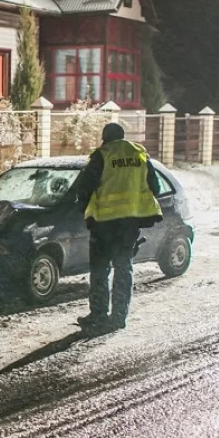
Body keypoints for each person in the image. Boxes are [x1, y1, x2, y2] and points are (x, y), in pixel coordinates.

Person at [74, 122, 162, 331]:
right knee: (124, 269)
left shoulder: (102, 155)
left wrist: (82, 211)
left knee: (100, 270)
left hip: (104, 224)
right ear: (123, 136)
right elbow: (155, 187)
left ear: (106, 138)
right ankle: (119, 318)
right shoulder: (139, 154)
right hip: (130, 224)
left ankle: (99, 315)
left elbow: (84, 188)